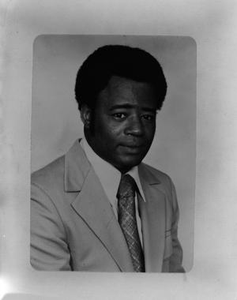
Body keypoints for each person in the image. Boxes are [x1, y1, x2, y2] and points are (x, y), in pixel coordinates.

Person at [30, 45, 184, 272]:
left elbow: (177, 285)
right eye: (120, 115)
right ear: (87, 115)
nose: (138, 129)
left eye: (147, 116)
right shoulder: (40, 196)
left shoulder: (163, 186)